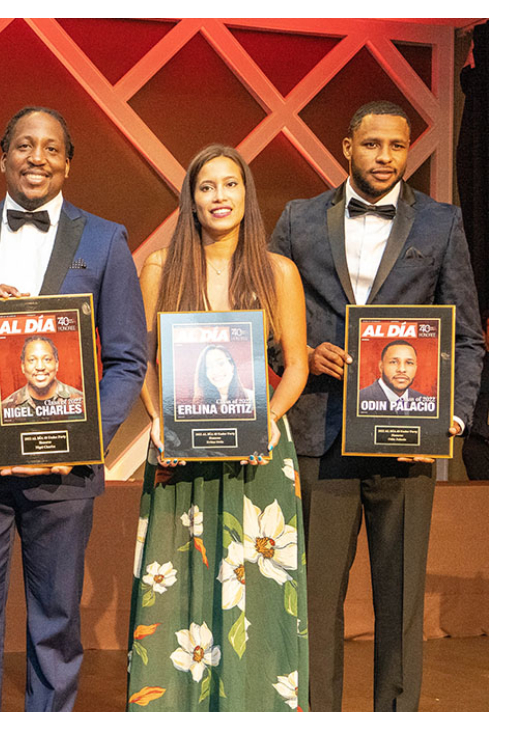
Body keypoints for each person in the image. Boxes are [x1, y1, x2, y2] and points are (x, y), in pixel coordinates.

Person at [0, 106, 147, 711]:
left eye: (52, 148)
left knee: (55, 625)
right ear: (2, 158)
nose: (37, 158)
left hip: (63, 470)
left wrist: (85, 438)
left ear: (68, 165)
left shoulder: (104, 240)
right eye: (24, 145)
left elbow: (129, 359)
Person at [269, 100, 484, 712]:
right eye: (372, 145)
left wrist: (456, 416)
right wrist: (304, 352)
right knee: (313, 605)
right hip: (319, 435)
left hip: (408, 442)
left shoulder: (441, 224)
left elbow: (467, 336)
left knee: (400, 603)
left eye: (397, 146)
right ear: (346, 147)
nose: (385, 157)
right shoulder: (298, 218)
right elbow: (260, 320)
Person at [127, 144, 310, 711]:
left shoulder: (278, 270)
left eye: (230, 185)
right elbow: (144, 362)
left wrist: (269, 418)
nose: (219, 197)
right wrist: (158, 420)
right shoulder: (160, 267)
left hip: (261, 455)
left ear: (246, 195)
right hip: (179, 453)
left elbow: (298, 364)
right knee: (176, 584)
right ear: (192, 198)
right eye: (207, 187)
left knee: (259, 596)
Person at [0, 335, 84, 413]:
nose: (40, 367)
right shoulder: (5, 408)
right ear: (23, 366)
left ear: (57, 364)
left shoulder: (81, 402)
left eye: (47, 359)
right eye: (32, 360)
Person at [357, 340, 428, 408]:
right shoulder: (359, 398)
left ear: (416, 367)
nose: (402, 369)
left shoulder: (425, 402)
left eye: (409, 363)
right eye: (394, 362)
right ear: (381, 366)